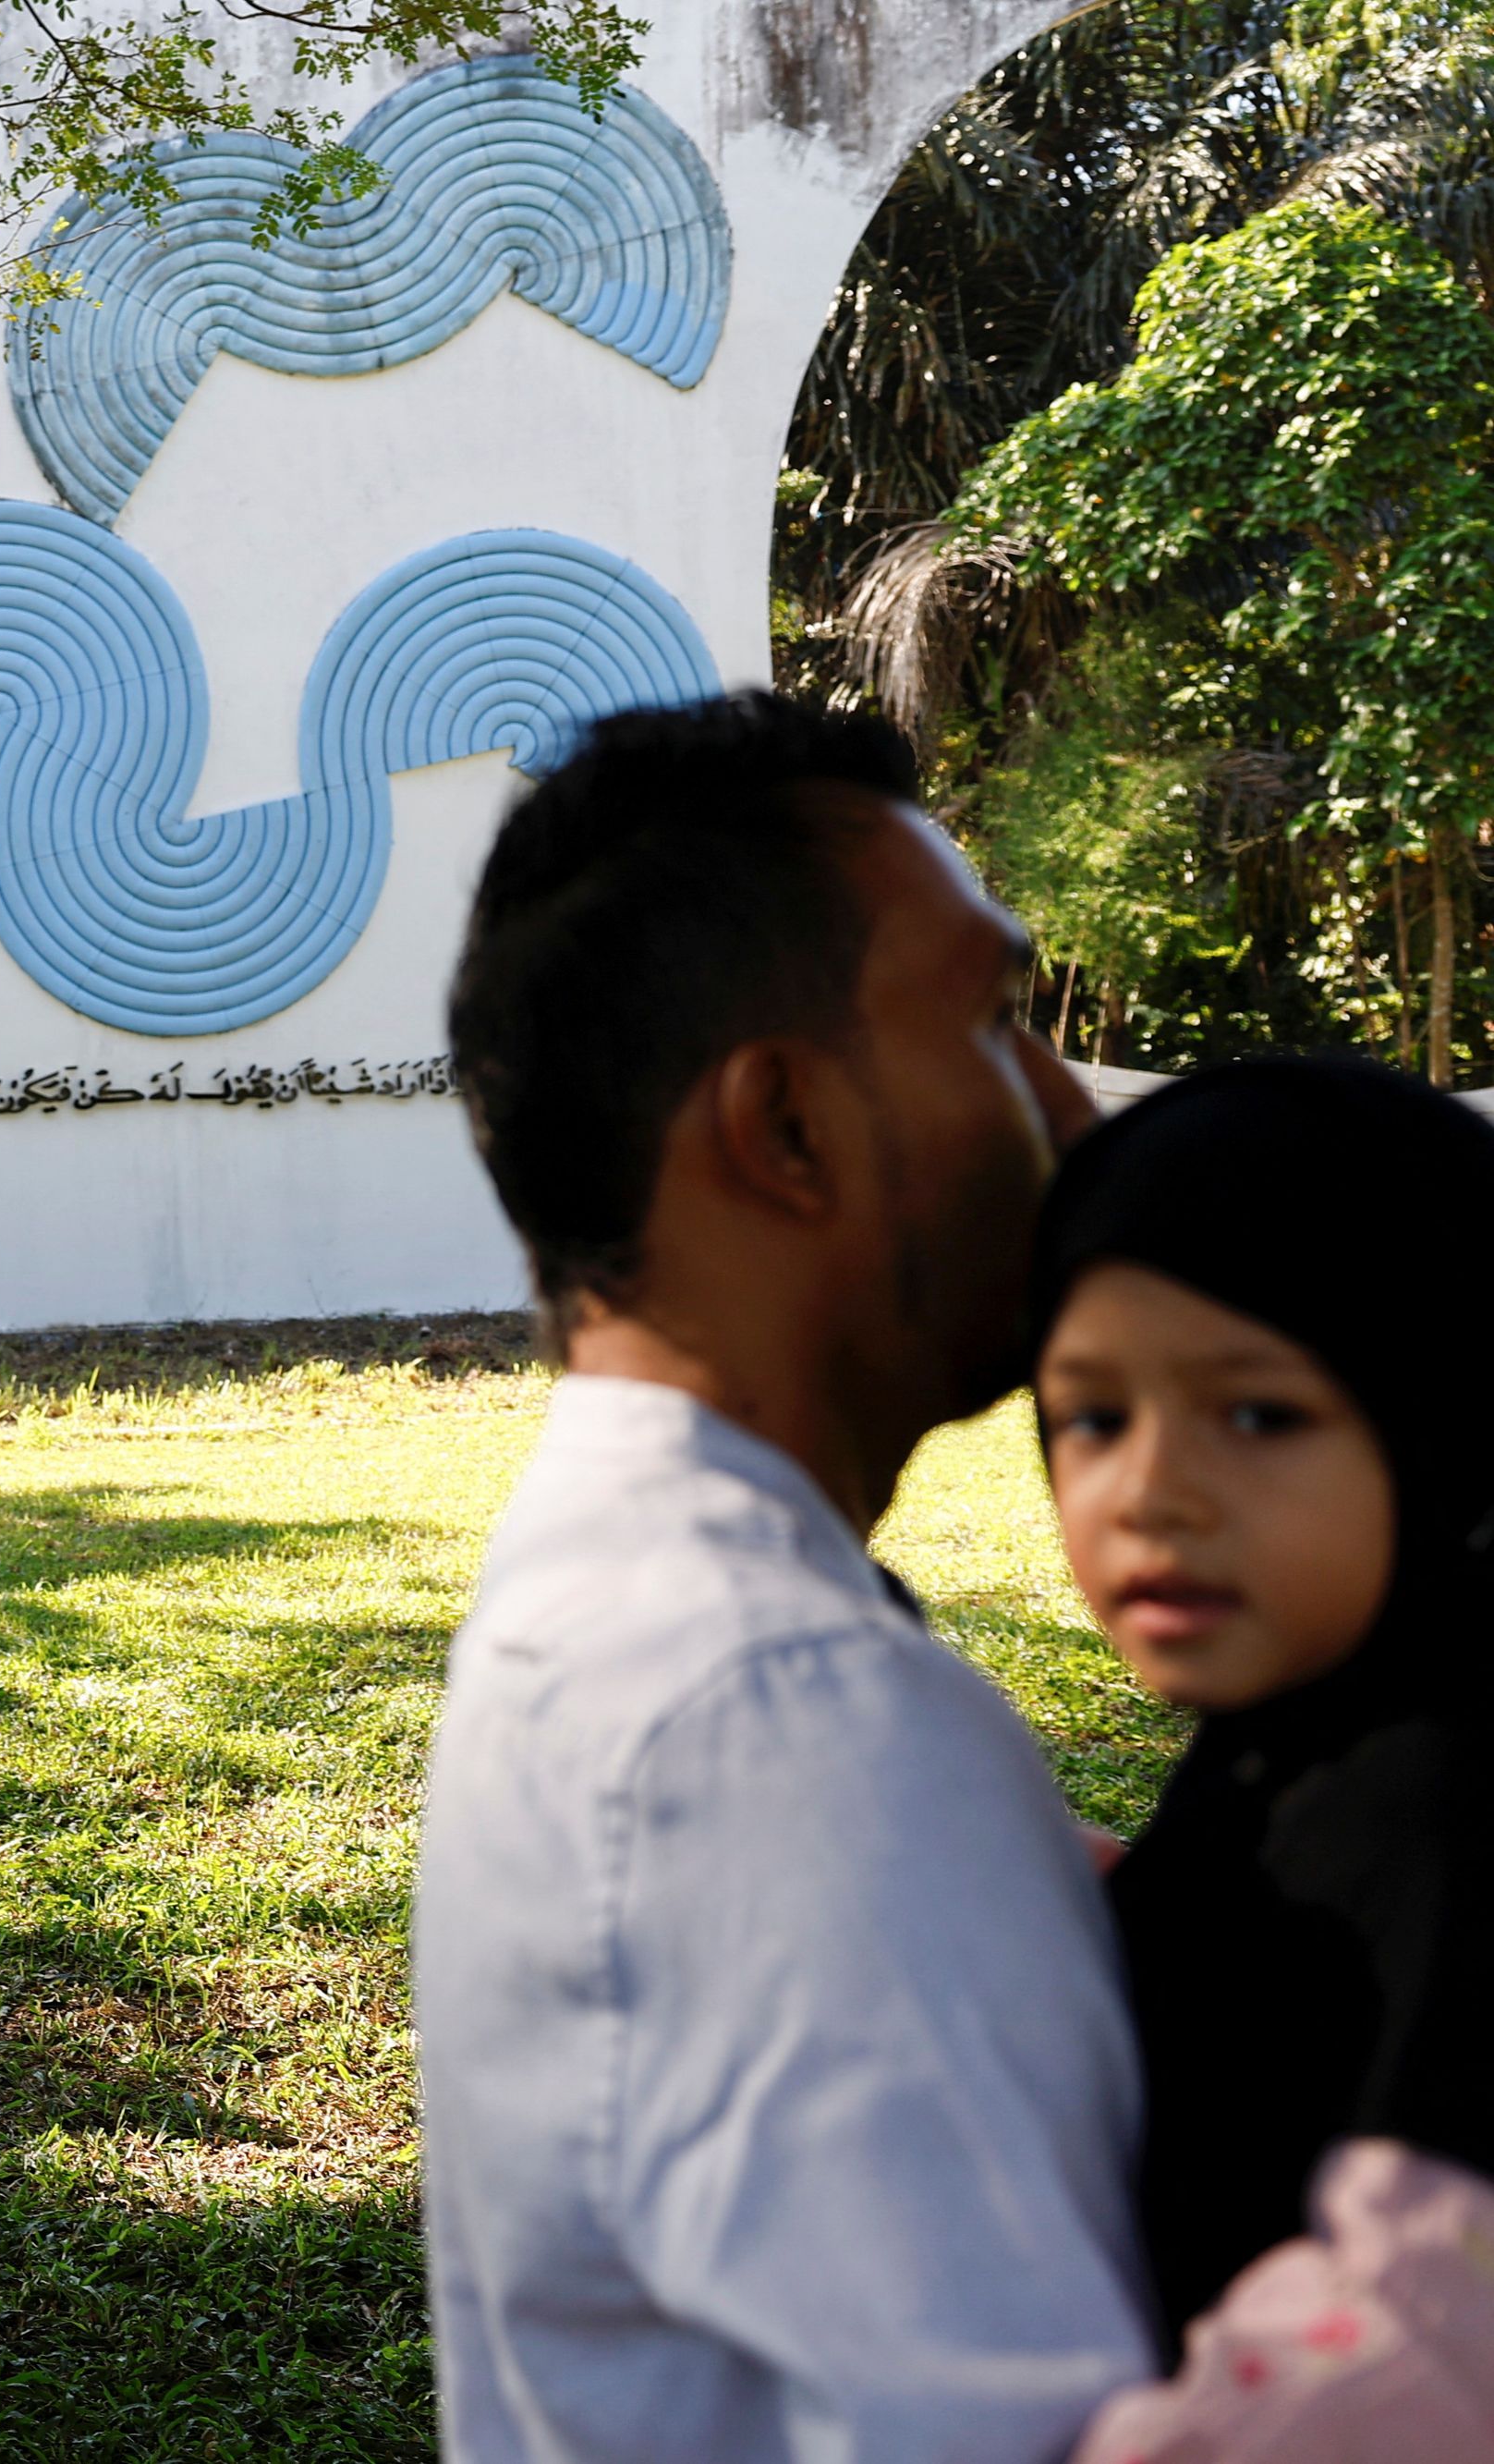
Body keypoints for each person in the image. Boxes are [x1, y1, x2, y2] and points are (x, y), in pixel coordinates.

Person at [419, 694, 1150, 2461]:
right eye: (992, 1021)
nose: (1070, 1106)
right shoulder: (781, 1713)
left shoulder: (640, 1603)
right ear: (787, 1126)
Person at [1025, 1058, 1494, 2338]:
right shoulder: (1288, 1747)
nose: (1150, 1492)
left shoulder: (1440, 1809)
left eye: (1257, 1413)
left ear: (1446, 1415)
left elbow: (1417, 2337)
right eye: (1094, 1416)